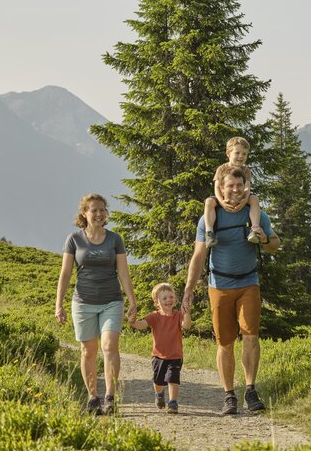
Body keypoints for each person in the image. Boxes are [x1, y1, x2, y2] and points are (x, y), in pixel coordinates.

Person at [182, 169, 280, 415]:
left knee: (250, 336)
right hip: (220, 286)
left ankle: (250, 390)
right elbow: (199, 255)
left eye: (239, 185)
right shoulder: (209, 218)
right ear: (221, 188)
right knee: (224, 343)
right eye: (230, 186)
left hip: (249, 283)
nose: (235, 190)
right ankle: (229, 395)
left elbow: (275, 246)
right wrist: (189, 289)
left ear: (245, 186)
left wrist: (264, 239)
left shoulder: (256, 214)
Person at [55, 193, 137, 416]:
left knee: (109, 346)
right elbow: (65, 274)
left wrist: (132, 301)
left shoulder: (115, 239)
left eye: (102, 210)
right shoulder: (74, 240)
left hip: (112, 300)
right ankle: (93, 397)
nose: (99, 214)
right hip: (83, 303)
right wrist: (58, 304)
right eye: (94, 210)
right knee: (87, 351)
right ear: (85, 213)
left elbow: (123, 271)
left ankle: (110, 396)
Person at [129, 282, 192, 414]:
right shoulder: (154, 316)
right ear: (157, 302)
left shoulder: (178, 315)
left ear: (175, 298)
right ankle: (159, 395)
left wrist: (186, 313)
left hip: (175, 355)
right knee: (158, 380)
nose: (168, 300)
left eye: (171, 297)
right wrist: (133, 322)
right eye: (164, 298)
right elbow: (142, 325)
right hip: (158, 355)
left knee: (173, 378)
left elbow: (186, 326)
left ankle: (173, 402)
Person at [204, 135, 261, 249]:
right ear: (228, 154)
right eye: (237, 153)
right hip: (223, 196)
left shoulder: (245, 170)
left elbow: (247, 187)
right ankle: (209, 233)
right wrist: (221, 201)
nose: (241, 156)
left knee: (254, 199)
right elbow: (217, 187)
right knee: (209, 202)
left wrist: (244, 200)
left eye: (244, 154)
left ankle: (254, 230)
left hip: (241, 196)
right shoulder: (222, 169)